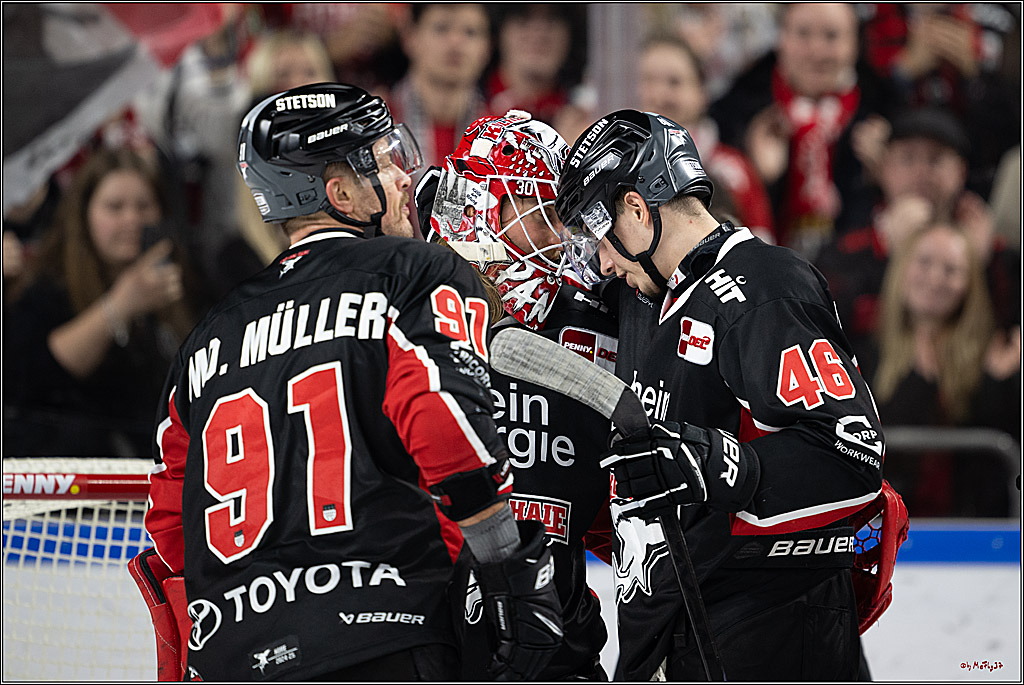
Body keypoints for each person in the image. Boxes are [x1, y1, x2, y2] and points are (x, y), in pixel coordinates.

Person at [143, 83, 562, 681]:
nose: (403, 180)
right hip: (385, 636)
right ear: (339, 192)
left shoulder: (205, 338)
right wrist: (509, 569)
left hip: (235, 658)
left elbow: (169, 524)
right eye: (385, 162)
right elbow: (446, 426)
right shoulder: (412, 271)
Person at [555, 109, 887, 681]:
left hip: (770, 631)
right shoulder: (641, 299)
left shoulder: (766, 288)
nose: (601, 260)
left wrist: (715, 462)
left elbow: (852, 455)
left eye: (596, 232)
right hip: (674, 630)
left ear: (636, 208)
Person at [415, 110, 615, 679]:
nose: (560, 241)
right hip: (435, 642)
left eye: (565, 221)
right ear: (481, 212)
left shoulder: (600, 318)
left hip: (560, 643)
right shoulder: (404, 316)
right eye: (544, 216)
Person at [4, 147, 199, 458]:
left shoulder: (183, 282)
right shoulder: (47, 286)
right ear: (84, 214)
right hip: (73, 472)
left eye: (144, 206)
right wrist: (120, 305)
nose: (131, 219)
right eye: (114, 207)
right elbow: (35, 375)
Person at [815, 107, 1021, 357]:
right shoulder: (845, 250)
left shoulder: (995, 252)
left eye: (936, 160)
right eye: (908, 158)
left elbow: (1006, 331)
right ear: (884, 169)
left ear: (961, 172)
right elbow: (822, 332)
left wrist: (979, 267)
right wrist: (893, 258)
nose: (922, 172)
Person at [709, 3, 898, 259]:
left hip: (854, 270)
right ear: (781, 39)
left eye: (831, 36)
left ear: (855, 43)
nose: (817, 51)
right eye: (803, 34)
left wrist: (887, 177)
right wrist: (760, 175)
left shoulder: (885, 109)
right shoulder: (737, 110)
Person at [863, 222, 1020, 516]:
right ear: (902, 270)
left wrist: (997, 385)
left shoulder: (994, 357)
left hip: (975, 529)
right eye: (924, 262)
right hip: (886, 525)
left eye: (951, 270)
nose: (935, 278)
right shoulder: (865, 355)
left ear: (970, 285)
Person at [637, 34, 776, 244]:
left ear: (701, 93)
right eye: (647, 80)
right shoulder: (607, 164)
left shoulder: (732, 170)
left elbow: (763, 249)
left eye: (674, 82)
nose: (658, 94)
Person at [484, 4, 587, 128]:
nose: (539, 34)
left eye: (552, 20)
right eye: (523, 18)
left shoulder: (587, 114)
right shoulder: (463, 104)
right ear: (499, 32)